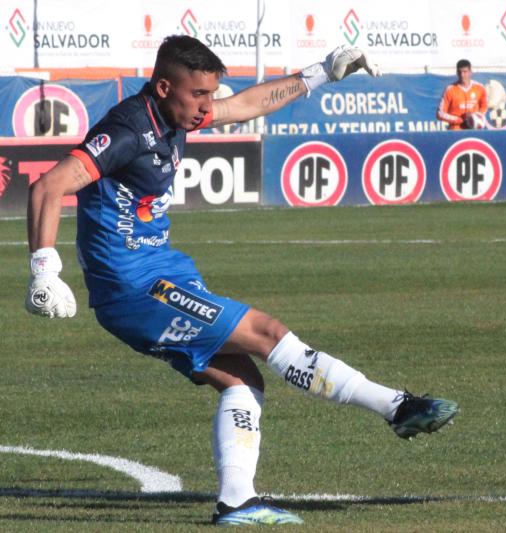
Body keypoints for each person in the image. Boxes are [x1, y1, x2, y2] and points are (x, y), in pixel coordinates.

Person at [25, 36, 459, 526]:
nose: (208, 107)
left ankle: (236, 501)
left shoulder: (174, 112)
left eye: (210, 94)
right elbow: (49, 184)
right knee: (268, 334)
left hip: (161, 275)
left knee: (242, 380)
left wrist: (322, 71)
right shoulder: (127, 129)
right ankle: (396, 406)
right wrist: (45, 268)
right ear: (164, 86)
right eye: (199, 96)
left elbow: (246, 104)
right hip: (137, 290)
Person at [436, 59, 488, 130]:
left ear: (470, 72)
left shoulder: (480, 88)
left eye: (465, 72)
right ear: (457, 72)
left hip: (474, 129)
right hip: (456, 130)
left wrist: (474, 117)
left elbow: (484, 106)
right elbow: (440, 114)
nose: (462, 75)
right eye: (459, 72)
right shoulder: (450, 89)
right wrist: (459, 119)